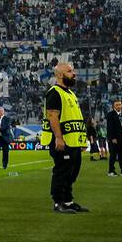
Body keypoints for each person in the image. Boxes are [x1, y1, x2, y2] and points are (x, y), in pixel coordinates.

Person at [41, 62, 90, 213]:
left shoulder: (70, 93)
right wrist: (58, 138)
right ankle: (58, 202)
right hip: (63, 141)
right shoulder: (55, 92)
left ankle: (68, 201)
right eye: (70, 71)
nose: (74, 73)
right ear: (60, 75)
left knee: (72, 172)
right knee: (62, 171)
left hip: (73, 141)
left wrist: (81, 141)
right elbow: (52, 116)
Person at [106, 99, 122, 177]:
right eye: (117, 105)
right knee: (113, 155)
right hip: (114, 139)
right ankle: (111, 171)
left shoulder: (120, 115)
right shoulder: (110, 114)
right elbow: (110, 128)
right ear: (113, 106)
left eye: (120, 104)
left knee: (121, 156)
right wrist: (112, 138)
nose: (119, 106)